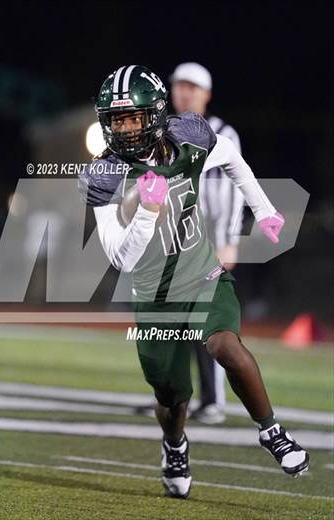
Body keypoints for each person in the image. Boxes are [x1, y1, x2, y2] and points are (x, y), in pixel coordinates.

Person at [79, 65, 309, 499]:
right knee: (172, 397)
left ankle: (272, 431)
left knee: (226, 346)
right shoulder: (103, 175)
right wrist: (147, 212)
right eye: (117, 120)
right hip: (153, 296)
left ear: (157, 114)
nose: (126, 129)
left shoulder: (189, 137)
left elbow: (234, 160)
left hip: (202, 275)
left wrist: (262, 210)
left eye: (134, 118)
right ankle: (174, 445)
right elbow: (121, 259)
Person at [170, 62, 244, 424]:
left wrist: (228, 240)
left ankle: (214, 401)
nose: (183, 93)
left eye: (191, 87)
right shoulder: (166, 134)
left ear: (206, 94)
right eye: (179, 86)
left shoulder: (221, 132)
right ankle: (184, 398)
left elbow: (231, 189)